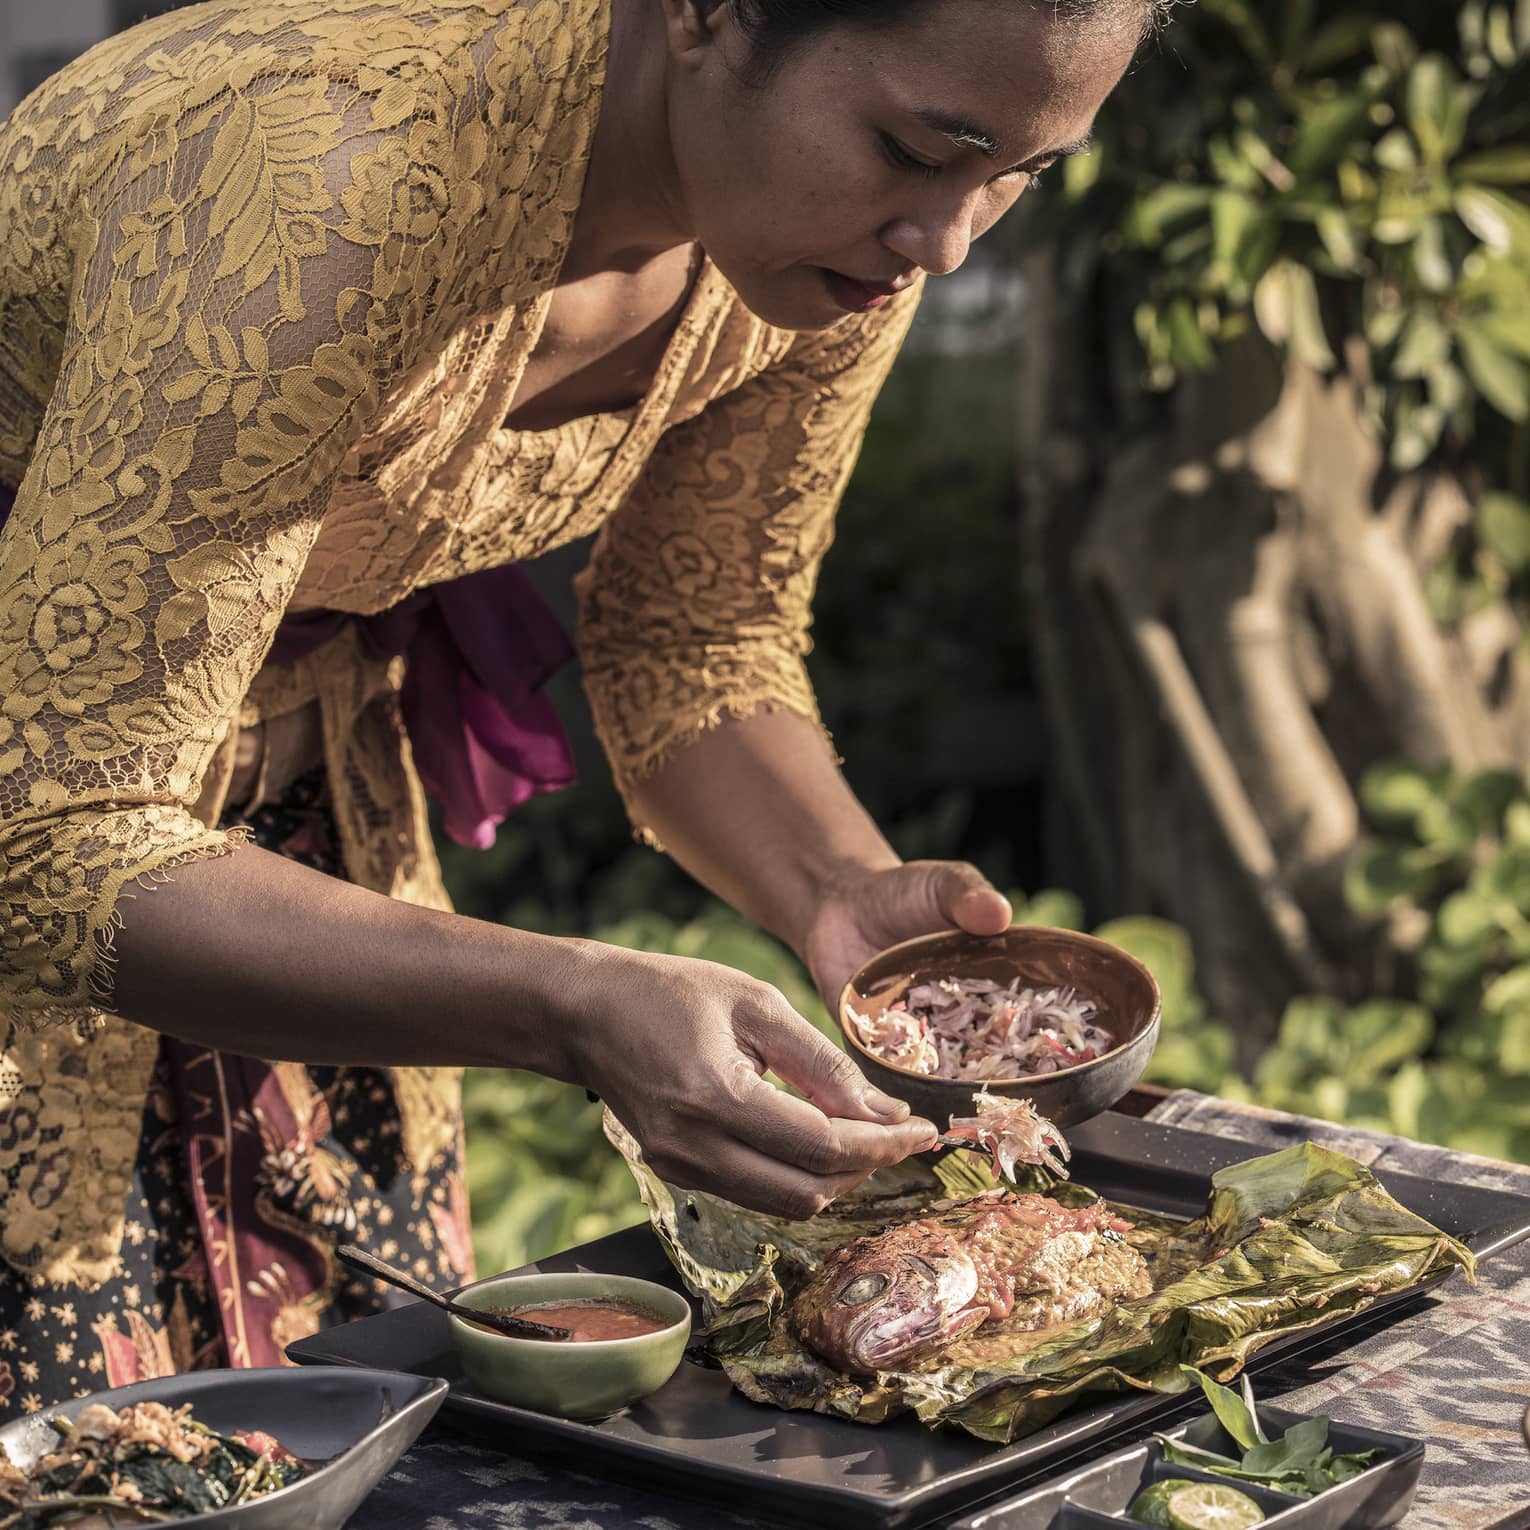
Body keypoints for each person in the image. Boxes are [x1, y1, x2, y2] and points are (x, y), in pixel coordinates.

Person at [0, 0, 1154, 1412]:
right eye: (918, 150)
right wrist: (568, 1003)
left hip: (299, 849)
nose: (947, 241)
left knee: (346, 1432)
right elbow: (54, 837)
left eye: (1017, 175)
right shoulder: (321, 184)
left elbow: (695, 637)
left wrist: (838, 891)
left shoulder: (805, 243)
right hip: (49, 815)